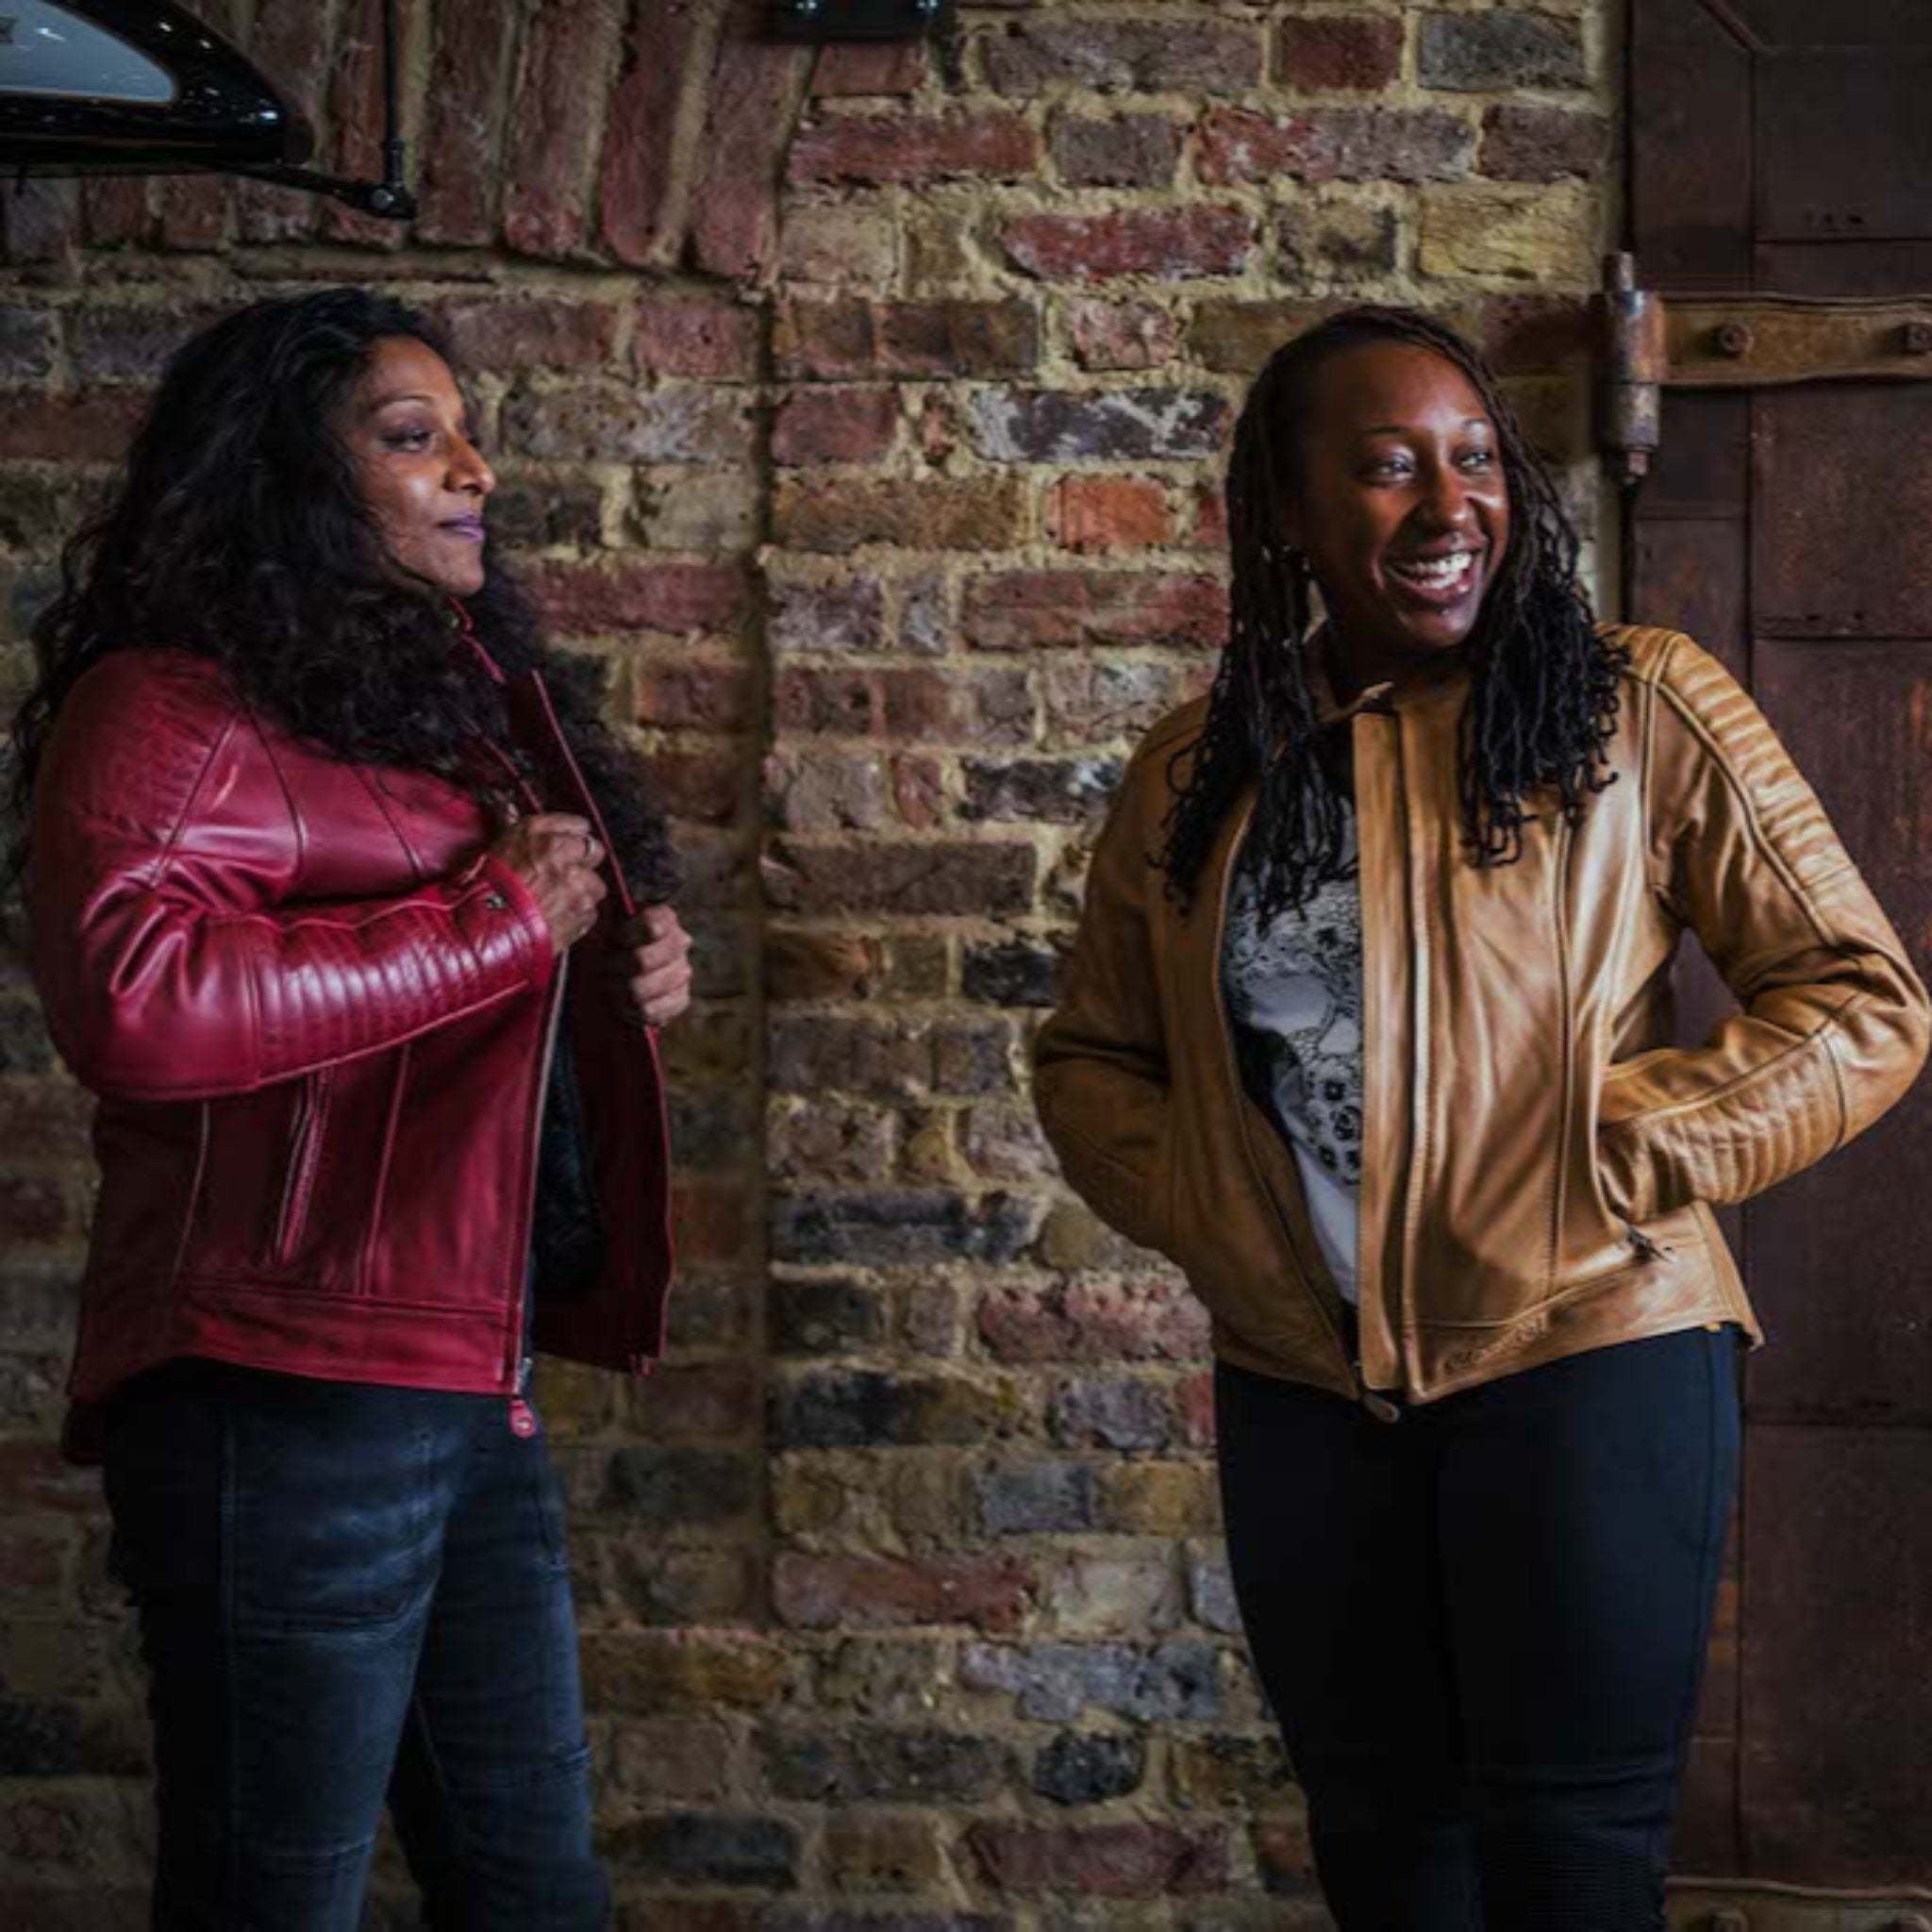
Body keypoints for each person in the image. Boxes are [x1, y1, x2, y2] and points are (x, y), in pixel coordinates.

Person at [1033, 308, 1928, 1929]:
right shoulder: (1197, 773)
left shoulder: (1630, 706)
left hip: (1587, 1351)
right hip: (1306, 1387)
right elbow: (1092, 1058)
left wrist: (1623, 1149)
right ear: (1287, 514)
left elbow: (1862, 1001)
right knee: (1385, 1852)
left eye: (1473, 460)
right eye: (1385, 469)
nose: (1450, 507)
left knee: (1574, 1860)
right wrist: (1209, 1202)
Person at [8, 288, 696, 1930]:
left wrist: (622, 967)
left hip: (467, 1384)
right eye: (412, 439)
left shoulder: (418, 703)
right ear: (287, 483)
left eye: (467, 435)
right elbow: (137, 1005)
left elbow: (466, 983)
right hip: (281, 1395)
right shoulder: (171, 708)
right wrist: (501, 926)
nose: (471, 470)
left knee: (535, 1894)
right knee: (270, 1899)